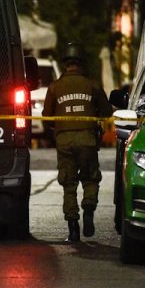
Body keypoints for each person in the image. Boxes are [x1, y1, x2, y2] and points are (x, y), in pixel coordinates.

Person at [42, 44, 114, 243]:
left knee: (69, 183)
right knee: (90, 178)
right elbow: (107, 112)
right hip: (87, 138)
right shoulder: (92, 85)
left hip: (64, 140)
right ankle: (89, 208)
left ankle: (73, 228)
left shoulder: (55, 87)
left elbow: (46, 118)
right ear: (82, 63)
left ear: (65, 64)